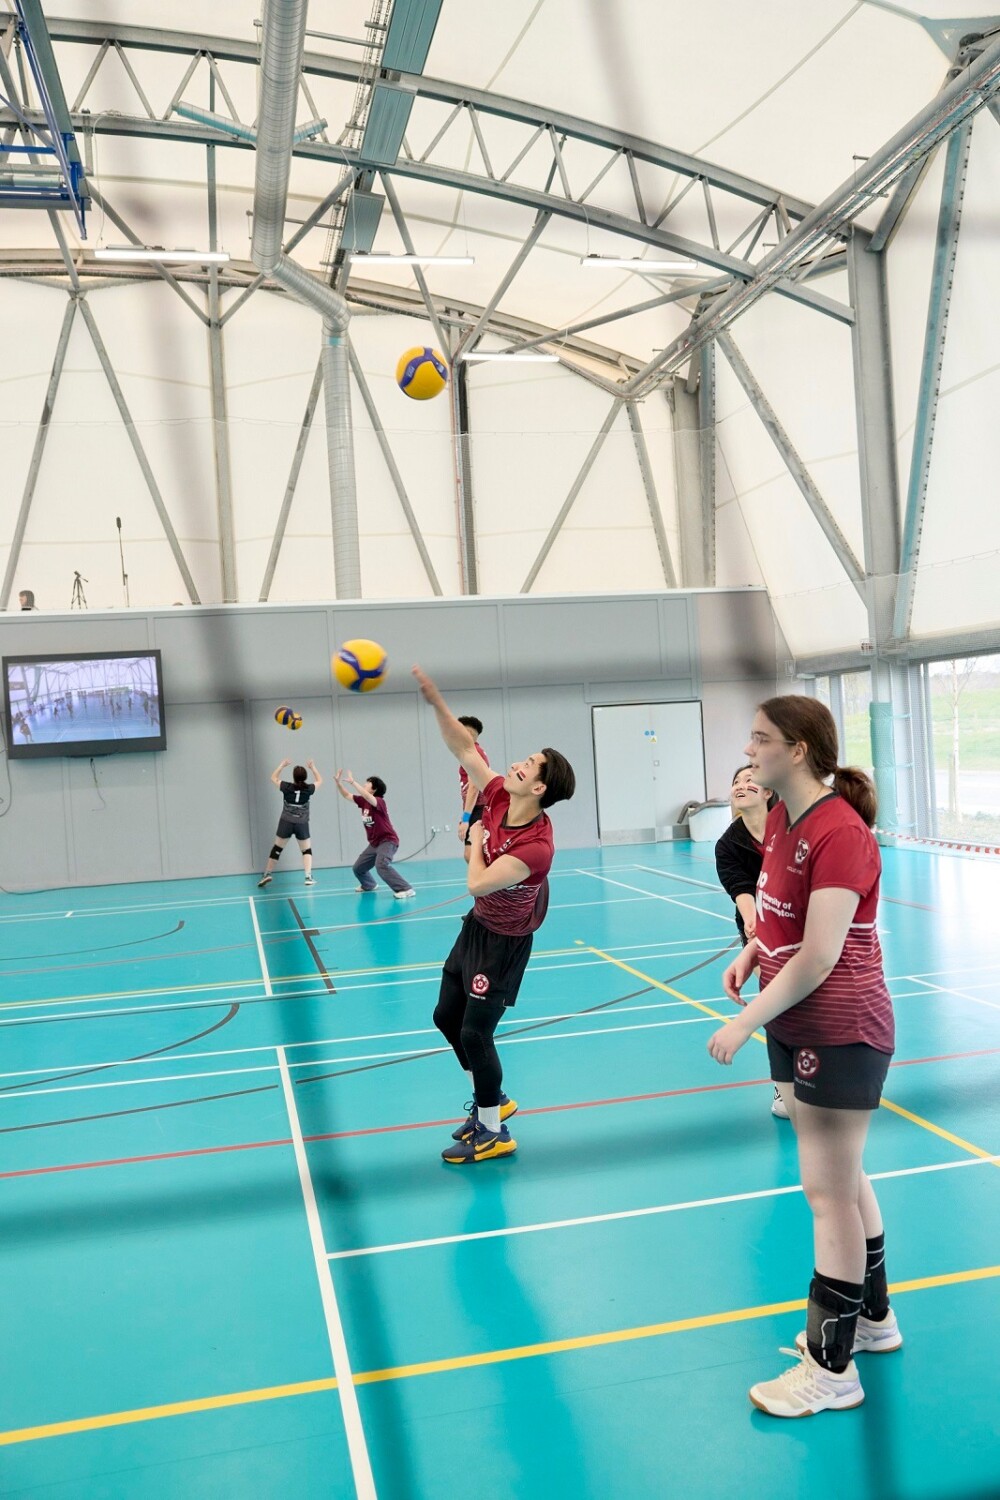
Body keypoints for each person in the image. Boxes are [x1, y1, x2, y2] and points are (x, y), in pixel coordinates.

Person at [706, 696, 899, 1419]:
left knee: (827, 1194)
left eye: (761, 739)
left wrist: (741, 1023)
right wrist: (753, 949)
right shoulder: (783, 818)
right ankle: (874, 1321)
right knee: (843, 1181)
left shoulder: (842, 833)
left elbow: (821, 955)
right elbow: (784, 911)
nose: (749, 751)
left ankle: (831, 1369)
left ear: (800, 749)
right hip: (794, 1022)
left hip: (839, 1027)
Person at [413, 664, 576, 1165]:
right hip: (477, 926)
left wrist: (477, 837)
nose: (519, 765)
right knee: (445, 1016)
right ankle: (494, 1101)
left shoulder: (537, 847)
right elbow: (465, 749)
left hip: (504, 942)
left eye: (530, 765)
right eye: (524, 758)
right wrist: (436, 702)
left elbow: (478, 880)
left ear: (542, 789)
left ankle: (493, 1131)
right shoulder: (502, 793)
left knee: (475, 1032)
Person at [714, 765, 788, 1120]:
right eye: (736, 783)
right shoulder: (728, 844)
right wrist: (753, 924)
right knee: (776, 1003)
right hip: (758, 923)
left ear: (768, 791)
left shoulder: (792, 826)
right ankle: (783, 1083)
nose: (741, 786)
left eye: (749, 780)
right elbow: (740, 889)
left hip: (799, 919)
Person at [334, 770, 415, 899]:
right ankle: (369, 884)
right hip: (374, 843)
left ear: (374, 789)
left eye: (368, 783)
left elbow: (366, 796)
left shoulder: (379, 802)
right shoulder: (363, 802)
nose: (365, 784)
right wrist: (338, 783)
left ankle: (406, 888)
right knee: (358, 868)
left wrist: (353, 782)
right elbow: (346, 795)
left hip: (388, 840)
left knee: (381, 864)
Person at [258, 758, 322, 887]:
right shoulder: (309, 789)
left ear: (293, 777)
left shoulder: (286, 787)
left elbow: (273, 778)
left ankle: (267, 874)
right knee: (306, 851)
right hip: (301, 823)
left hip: (286, 822)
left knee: (277, 849)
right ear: (305, 777)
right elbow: (320, 780)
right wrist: (313, 768)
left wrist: (281, 766)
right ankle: (308, 876)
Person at [457, 714, 489, 863]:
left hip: (480, 808)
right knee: (472, 855)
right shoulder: (470, 753)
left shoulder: (474, 754)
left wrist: (465, 819)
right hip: (476, 809)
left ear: (468, 734)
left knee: (473, 855)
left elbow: (474, 787)